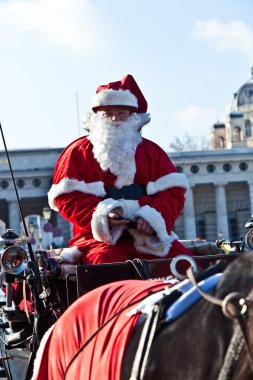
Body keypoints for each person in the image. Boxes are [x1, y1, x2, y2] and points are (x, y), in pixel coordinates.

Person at [47, 74, 191, 264]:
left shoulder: (151, 151)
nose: (115, 118)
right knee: (105, 266)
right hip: (99, 240)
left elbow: (172, 192)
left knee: (184, 263)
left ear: (133, 117)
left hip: (148, 239)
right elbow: (67, 198)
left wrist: (153, 216)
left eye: (122, 112)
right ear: (98, 117)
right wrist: (104, 214)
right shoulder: (77, 153)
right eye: (108, 113)